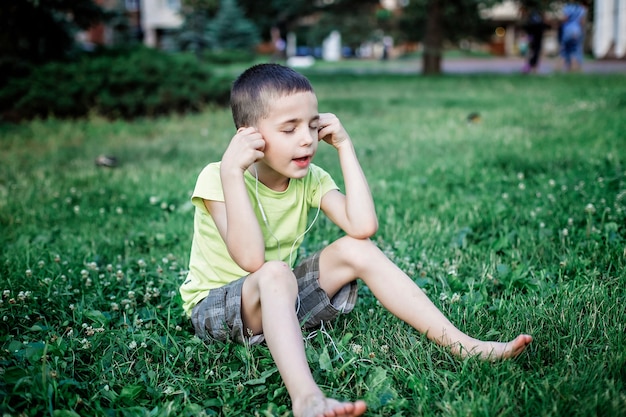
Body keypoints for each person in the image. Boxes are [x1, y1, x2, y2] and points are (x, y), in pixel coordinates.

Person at [180, 63, 533, 417]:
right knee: (273, 271)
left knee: (355, 249)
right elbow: (252, 260)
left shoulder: (310, 179)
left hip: (277, 300)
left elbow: (362, 226)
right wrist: (231, 169)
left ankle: (463, 345)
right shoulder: (219, 177)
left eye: (313, 125)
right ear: (249, 137)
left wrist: (345, 146)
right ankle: (307, 399)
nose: (306, 138)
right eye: (289, 129)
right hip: (217, 311)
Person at [559, 1, 587, 71]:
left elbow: (565, 18)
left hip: (567, 31)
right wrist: (582, 32)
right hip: (577, 31)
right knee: (577, 51)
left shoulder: (568, 7)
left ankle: (565, 68)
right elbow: (582, 21)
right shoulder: (581, 9)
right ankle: (578, 68)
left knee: (565, 50)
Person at [522, 8, 550, 74]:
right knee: (534, 54)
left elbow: (527, 28)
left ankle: (531, 68)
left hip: (534, 40)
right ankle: (532, 68)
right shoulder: (539, 21)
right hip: (535, 41)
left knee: (532, 54)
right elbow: (546, 27)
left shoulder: (532, 21)